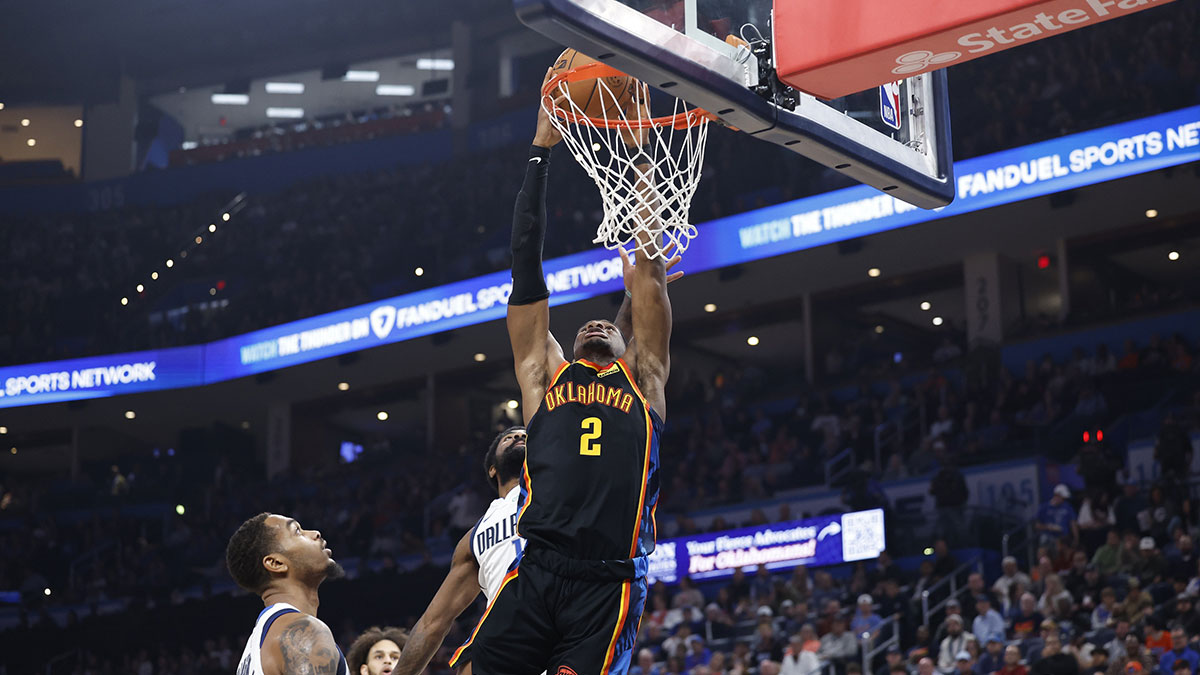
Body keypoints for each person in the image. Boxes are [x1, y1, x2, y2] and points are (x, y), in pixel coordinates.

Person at [460, 77, 676, 675]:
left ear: (624, 335)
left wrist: (636, 138)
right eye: (581, 327)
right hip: (538, 567)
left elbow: (651, 277)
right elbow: (525, 268)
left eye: (604, 324)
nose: (590, 326)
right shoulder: (542, 378)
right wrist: (540, 149)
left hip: (607, 585)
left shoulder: (646, 377)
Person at [391, 427, 531, 675]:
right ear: (492, 469)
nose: (519, 437)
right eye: (509, 437)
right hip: (509, 643)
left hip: (564, 627)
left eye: (524, 436)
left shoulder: (559, 494)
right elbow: (433, 622)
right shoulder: (473, 538)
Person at [225, 512, 348, 675]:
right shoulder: (303, 631)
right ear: (276, 563)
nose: (315, 533)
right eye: (297, 531)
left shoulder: (254, 650)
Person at [1036, 485, 1080, 551]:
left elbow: (1073, 523)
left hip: (1063, 538)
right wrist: (1049, 527)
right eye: (1062, 497)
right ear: (1056, 495)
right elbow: (1037, 525)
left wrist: (1076, 538)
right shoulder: (1044, 507)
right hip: (1048, 537)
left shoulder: (1067, 507)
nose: (1063, 500)